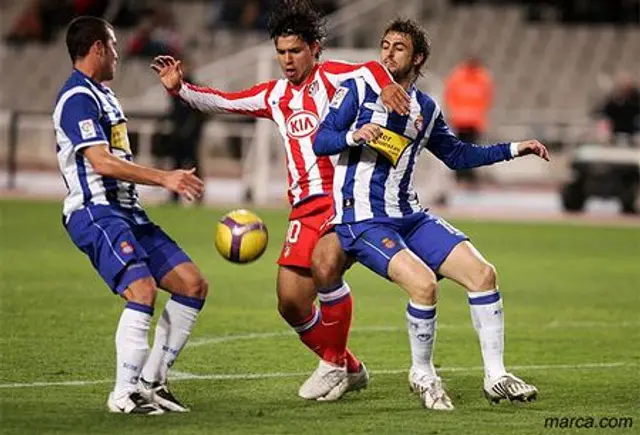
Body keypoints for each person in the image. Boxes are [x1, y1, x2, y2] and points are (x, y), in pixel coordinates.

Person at [151, 0, 411, 401]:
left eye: (295, 51)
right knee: (290, 302)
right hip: (304, 207)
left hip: (343, 199)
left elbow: (372, 69)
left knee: (326, 269)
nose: (287, 61)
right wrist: (180, 89)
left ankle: (331, 367)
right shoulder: (275, 96)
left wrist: (388, 86)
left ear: (314, 49)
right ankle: (348, 366)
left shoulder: (337, 78)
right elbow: (224, 101)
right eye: (282, 53)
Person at [313, 18, 548, 410]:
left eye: (398, 47)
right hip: (363, 218)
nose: (388, 53)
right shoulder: (356, 90)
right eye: (384, 45)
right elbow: (322, 139)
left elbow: (456, 155)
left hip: (410, 214)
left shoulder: (425, 107)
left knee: (483, 274)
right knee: (424, 284)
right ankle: (422, 374)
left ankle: (496, 377)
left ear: (418, 57)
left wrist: (513, 148)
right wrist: (356, 135)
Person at [54, 16, 207, 414]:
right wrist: (164, 178)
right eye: (115, 45)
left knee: (192, 284)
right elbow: (101, 162)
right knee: (142, 290)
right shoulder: (77, 98)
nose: (119, 54)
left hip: (128, 212)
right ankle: (123, 394)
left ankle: (152, 382)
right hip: (96, 212)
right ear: (98, 48)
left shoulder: (103, 95)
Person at [443, 55, 494, 188]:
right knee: (465, 149)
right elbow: (450, 96)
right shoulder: (459, 76)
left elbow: (486, 98)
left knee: (468, 148)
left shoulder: (480, 77)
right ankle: (462, 177)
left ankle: (467, 177)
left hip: (472, 120)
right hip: (462, 120)